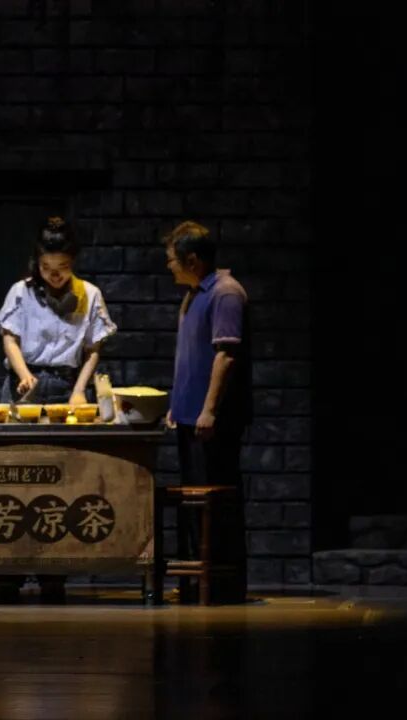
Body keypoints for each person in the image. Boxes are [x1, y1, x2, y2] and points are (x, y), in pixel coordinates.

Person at [0, 215, 117, 602]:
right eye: (47, 268)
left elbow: (93, 349)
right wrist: (24, 374)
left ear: (72, 262)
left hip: (65, 387)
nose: (55, 275)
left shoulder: (89, 294)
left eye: (62, 267)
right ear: (37, 263)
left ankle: (53, 573)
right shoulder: (21, 291)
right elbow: (9, 338)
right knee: (10, 478)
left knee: (61, 481)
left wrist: (79, 391)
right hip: (23, 386)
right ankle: (7, 575)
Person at [163, 220, 252, 603]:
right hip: (189, 417)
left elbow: (225, 355)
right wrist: (176, 405)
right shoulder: (194, 294)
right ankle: (198, 583)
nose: (168, 266)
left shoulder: (225, 293)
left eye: (172, 259)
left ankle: (222, 586)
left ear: (192, 260)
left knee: (217, 503)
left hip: (211, 421)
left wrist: (209, 410)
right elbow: (189, 358)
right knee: (194, 503)